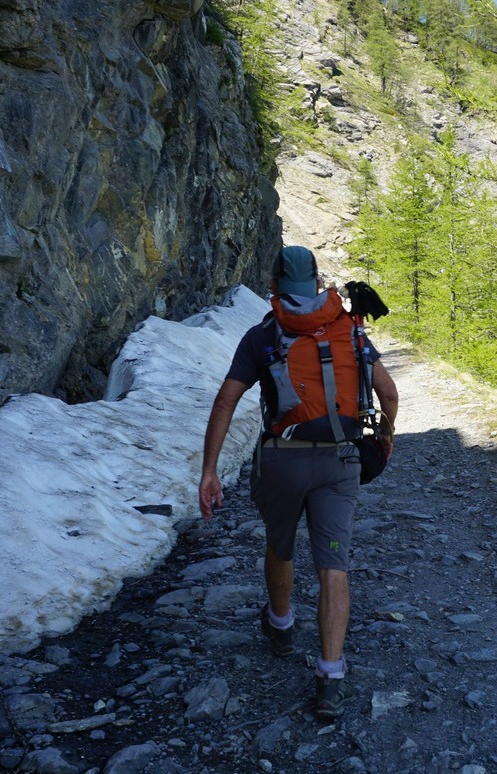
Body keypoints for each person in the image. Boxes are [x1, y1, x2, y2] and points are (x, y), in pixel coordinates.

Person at [197, 245, 399, 719]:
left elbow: (226, 401)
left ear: (274, 286)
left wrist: (209, 471)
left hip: (282, 460)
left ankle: (282, 624)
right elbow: (387, 392)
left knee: (280, 543)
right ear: (317, 285)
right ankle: (330, 675)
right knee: (334, 565)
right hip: (340, 461)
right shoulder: (350, 332)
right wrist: (384, 438)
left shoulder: (262, 336)